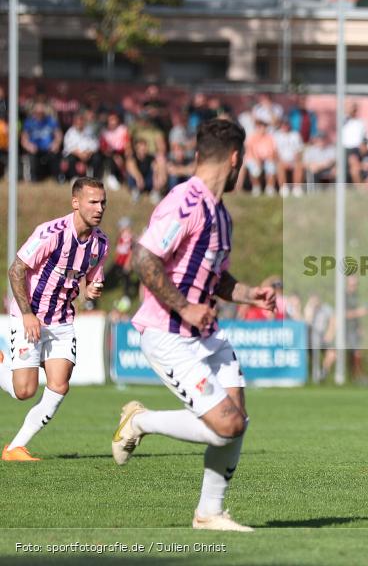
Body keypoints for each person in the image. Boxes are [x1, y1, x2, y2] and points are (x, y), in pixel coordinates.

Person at [110, 119, 277, 531]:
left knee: (237, 422)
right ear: (235, 158)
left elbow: (215, 278)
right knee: (227, 425)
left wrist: (249, 294)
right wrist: (185, 307)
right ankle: (139, 421)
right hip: (169, 333)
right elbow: (144, 257)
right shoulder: (185, 201)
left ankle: (209, 513)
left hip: (206, 334)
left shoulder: (220, 214)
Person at [1, 177, 109, 461]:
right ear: (76, 203)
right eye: (93, 202)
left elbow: (89, 282)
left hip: (61, 321)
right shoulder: (51, 233)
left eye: (103, 202)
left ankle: (15, 448)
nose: (99, 208)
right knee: (24, 391)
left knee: (59, 384)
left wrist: (92, 289)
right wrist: (27, 314)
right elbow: (16, 269)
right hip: (30, 316)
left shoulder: (100, 243)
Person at [21, 103, 62, 182]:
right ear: (34, 112)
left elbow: (58, 135)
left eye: (41, 113)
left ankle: (56, 178)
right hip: (34, 149)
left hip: (49, 149)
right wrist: (29, 146)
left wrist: (56, 144)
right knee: (32, 157)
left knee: (55, 154)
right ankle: (34, 178)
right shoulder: (29, 122)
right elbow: (24, 139)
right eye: (37, 113)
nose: (39, 114)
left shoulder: (51, 121)